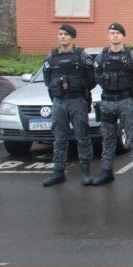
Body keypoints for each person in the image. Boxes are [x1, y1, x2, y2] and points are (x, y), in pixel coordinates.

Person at [92, 23, 133, 186]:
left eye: (117, 33)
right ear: (108, 35)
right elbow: (96, 76)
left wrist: (131, 87)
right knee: (108, 138)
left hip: (126, 101)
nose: (115, 36)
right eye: (112, 33)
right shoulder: (101, 56)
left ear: (123, 36)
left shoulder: (132, 55)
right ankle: (106, 171)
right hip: (107, 102)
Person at [41, 24, 96, 187]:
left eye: (65, 34)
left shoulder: (81, 55)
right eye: (60, 34)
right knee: (59, 139)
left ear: (72, 37)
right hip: (59, 102)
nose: (62, 37)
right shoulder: (51, 57)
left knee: (83, 137)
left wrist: (77, 86)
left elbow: (91, 79)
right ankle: (58, 173)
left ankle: (85, 173)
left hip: (77, 101)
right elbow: (47, 79)